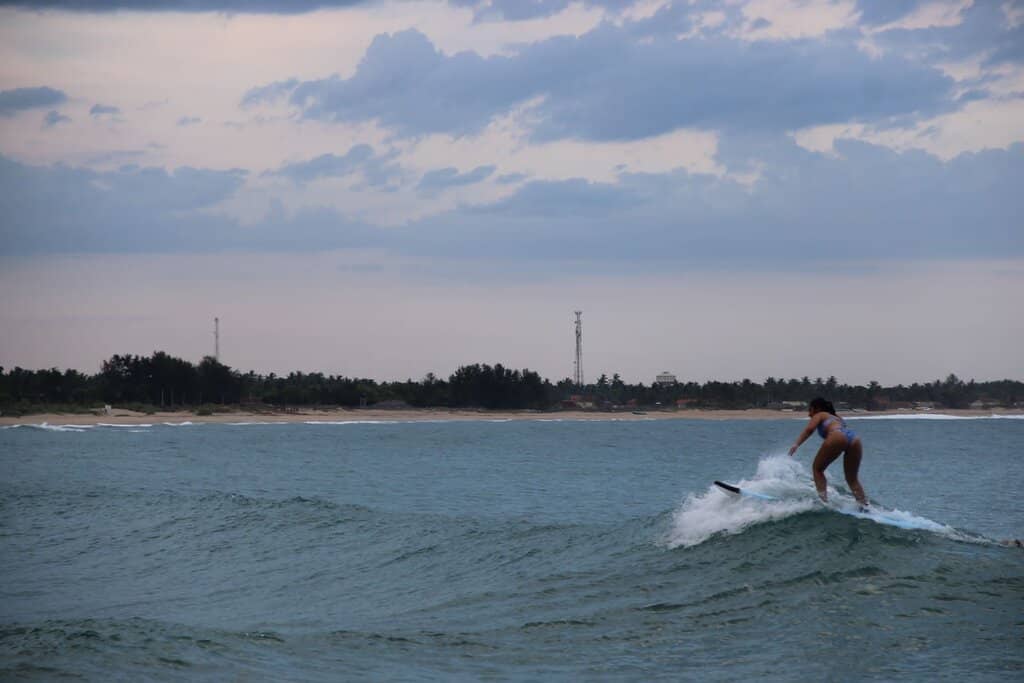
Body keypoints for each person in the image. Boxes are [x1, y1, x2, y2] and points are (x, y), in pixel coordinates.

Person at [789, 397, 868, 507]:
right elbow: (843, 431)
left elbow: (809, 429)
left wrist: (796, 444)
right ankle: (864, 505)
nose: (809, 414)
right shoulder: (837, 417)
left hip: (837, 435)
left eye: (810, 410)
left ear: (817, 409)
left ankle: (823, 502)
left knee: (817, 469)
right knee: (852, 479)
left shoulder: (819, 414)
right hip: (854, 439)